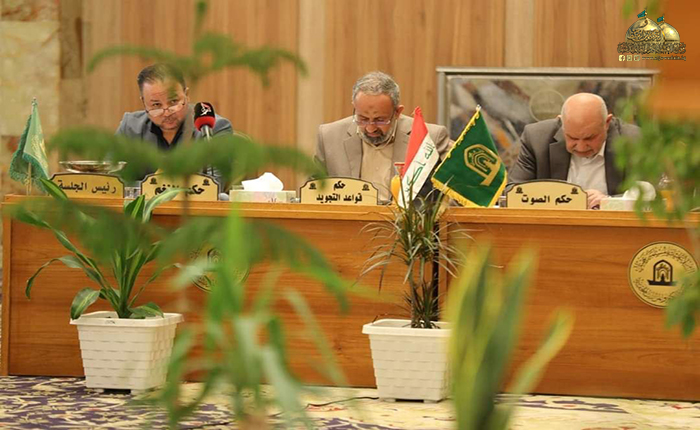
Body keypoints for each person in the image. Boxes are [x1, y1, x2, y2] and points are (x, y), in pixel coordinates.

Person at [314, 71, 452, 202]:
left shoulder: (430, 138)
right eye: (362, 119)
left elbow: (456, 194)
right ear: (354, 107)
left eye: (380, 120)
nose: (370, 128)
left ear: (397, 112)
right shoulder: (329, 136)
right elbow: (313, 192)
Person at [508, 93, 641, 209]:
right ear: (561, 122)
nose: (581, 147)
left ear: (607, 123)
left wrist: (609, 202)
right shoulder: (537, 139)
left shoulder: (634, 141)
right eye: (572, 138)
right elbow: (511, 193)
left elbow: (649, 195)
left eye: (590, 138)